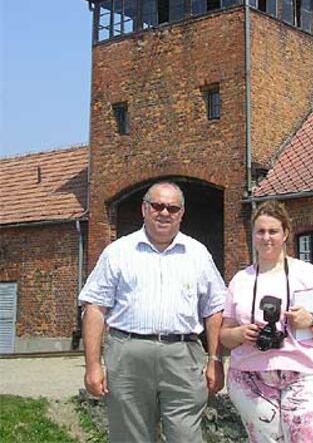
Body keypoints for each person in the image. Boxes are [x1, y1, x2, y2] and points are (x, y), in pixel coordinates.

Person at [79, 181, 226, 443]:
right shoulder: (118, 252)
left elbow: (214, 309)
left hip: (182, 356)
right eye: (157, 206)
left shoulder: (198, 254)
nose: (164, 213)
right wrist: (93, 365)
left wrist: (216, 360)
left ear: (182, 213)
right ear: (144, 209)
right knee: (129, 437)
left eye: (172, 208)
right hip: (128, 354)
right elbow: (95, 308)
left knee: (186, 437)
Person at [220, 201, 313, 443]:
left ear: (285, 233)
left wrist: (312, 320)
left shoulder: (309, 274)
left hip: (307, 375)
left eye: (273, 231)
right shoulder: (240, 280)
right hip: (251, 379)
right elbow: (225, 334)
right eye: (260, 231)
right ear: (253, 234)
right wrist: (240, 334)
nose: (266, 238)